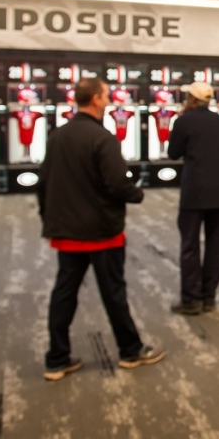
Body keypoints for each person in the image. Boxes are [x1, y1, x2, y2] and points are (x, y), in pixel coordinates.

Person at [38, 78, 165, 381]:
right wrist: (137, 193)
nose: (109, 100)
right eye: (106, 95)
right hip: (101, 232)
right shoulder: (102, 138)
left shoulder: (58, 136)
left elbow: (43, 182)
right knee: (114, 293)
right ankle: (130, 350)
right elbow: (117, 183)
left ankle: (56, 359)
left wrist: (50, 220)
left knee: (63, 294)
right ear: (95, 99)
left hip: (67, 232)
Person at [168, 83, 219, 315]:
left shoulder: (183, 121)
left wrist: (180, 122)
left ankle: (191, 299)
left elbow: (173, 153)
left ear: (191, 99)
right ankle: (208, 296)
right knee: (215, 246)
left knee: (190, 246)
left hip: (193, 193)